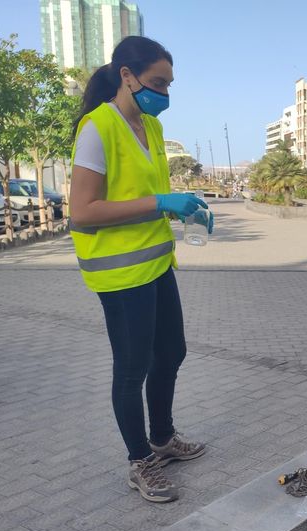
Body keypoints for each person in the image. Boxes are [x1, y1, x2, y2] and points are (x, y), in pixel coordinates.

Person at [70, 36, 212, 503]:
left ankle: (163, 439)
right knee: (131, 371)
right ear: (126, 75)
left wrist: (181, 209)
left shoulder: (148, 127)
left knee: (171, 354)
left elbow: (147, 197)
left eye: (170, 84)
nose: (164, 94)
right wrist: (159, 202)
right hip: (119, 273)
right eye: (157, 83)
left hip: (155, 264)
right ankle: (140, 462)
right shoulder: (98, 127)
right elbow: (83, 212)